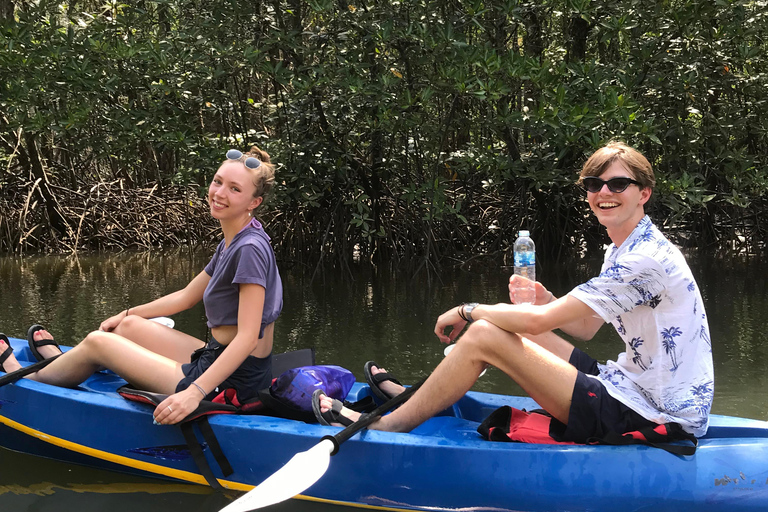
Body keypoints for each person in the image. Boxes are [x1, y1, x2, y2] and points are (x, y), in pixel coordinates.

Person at [315, 141, 714, 442]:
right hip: (630, 387)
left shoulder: (645, 258)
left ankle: (392, 423)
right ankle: (413, 395)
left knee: (489, 330)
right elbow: (589, 326)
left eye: (619, 183)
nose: (604, 192)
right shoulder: (623, 247)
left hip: (653, 413)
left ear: (643, 193)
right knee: (514, 323)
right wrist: (548, 299)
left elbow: (537, 322)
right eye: (595, 183)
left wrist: (467, 309)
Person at [0, 146, 282, 425]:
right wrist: (126, 313)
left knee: (98, 342)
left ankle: (25, 378)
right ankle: (67, 363)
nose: (219, 193)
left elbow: (247, 337)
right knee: (128, 327)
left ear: (253, 202)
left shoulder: (250, 249)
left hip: (231, 385)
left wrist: (195, 393)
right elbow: (186, 297)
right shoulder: (235, 239)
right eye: (218, 181)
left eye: (235, 189)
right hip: (217, 356)